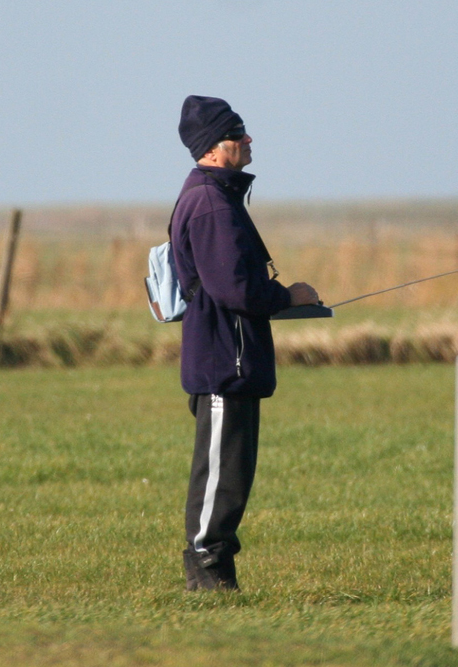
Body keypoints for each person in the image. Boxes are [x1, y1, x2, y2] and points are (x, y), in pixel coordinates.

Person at [172, 95, 319, 590]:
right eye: (238, 133)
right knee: (220, 475)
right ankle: (207, 572)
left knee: (231, 473)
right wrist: (288, 295)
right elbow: (235, 287)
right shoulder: (212, 204)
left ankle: (214, 574)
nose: (249, 139)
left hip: (230, 357)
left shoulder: (214, 195)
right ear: (213, 149)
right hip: (222, 361)